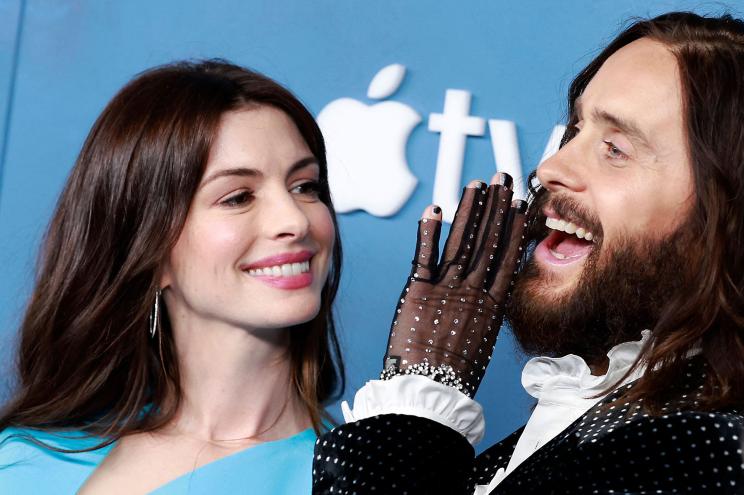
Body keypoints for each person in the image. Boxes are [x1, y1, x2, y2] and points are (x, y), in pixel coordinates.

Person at [313, 11, 744, 494]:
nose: (550, 166)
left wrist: (419, 397)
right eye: (576, 129)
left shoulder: (703, 452)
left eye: (615, 148)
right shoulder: (609, 420)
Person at [0, 60, 344, 494]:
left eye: (305, 187)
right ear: (150, 247)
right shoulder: (27, 460)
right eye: (238, 197)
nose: (294, 219)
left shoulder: (357, 480)